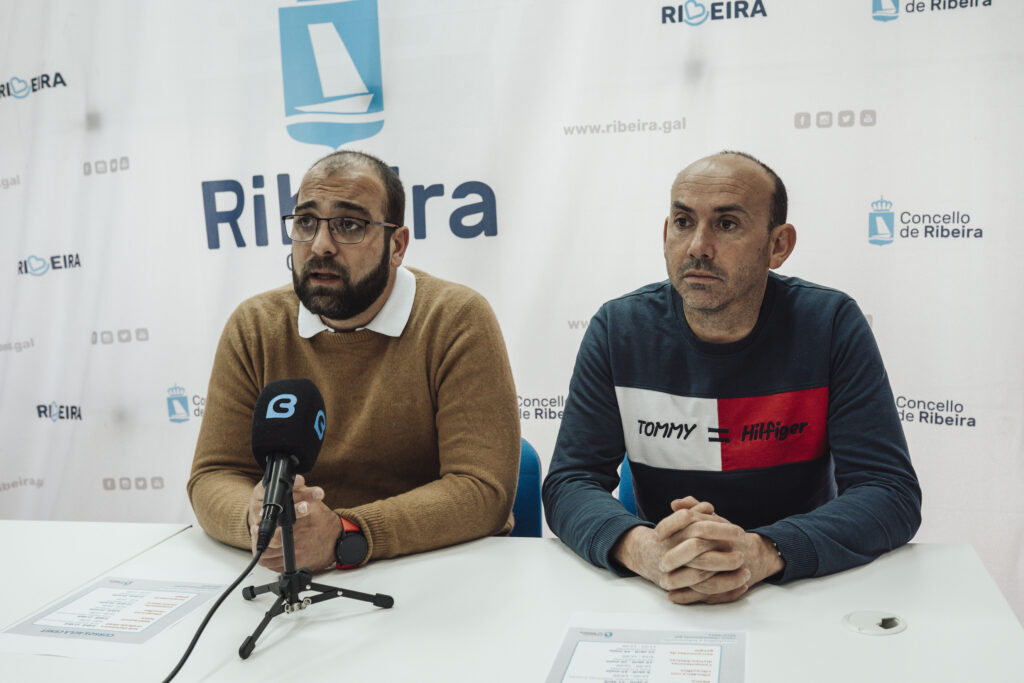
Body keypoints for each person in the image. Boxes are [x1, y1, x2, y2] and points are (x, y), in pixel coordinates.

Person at [542, 151, 921, 604]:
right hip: (663, 592)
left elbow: (890, 491)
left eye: (726, 224)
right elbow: (571, 482)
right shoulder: (618, 328)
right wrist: (644, 550)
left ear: (778, 245)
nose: (698, 246)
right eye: (683, 222)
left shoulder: (830, 324)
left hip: (800, 589)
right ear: (666, 234)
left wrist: (761, 552)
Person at [188, 150, 520, 573]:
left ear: (396, 245)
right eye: (306, 222)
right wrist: (256, 521)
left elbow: (481, 490)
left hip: (436, 572)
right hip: (295, 576)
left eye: (349, 225)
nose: (321, 246)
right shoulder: (254, 326)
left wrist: (345, 533)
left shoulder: (456, 319)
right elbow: (215, 473)